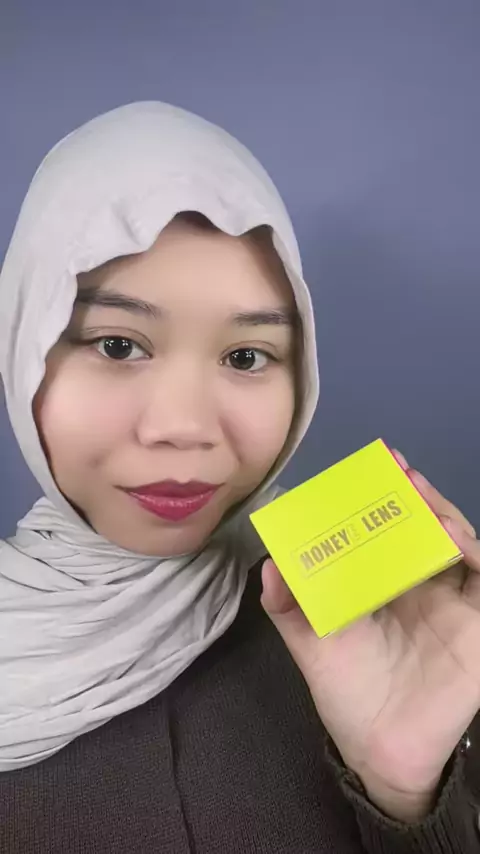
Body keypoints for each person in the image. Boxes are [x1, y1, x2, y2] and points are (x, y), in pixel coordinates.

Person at [0, 102, 479, 854]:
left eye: (246, 357)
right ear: (23, 349)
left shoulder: (401, 638)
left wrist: (409, 790)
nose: (184, 425)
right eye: (119, 345)